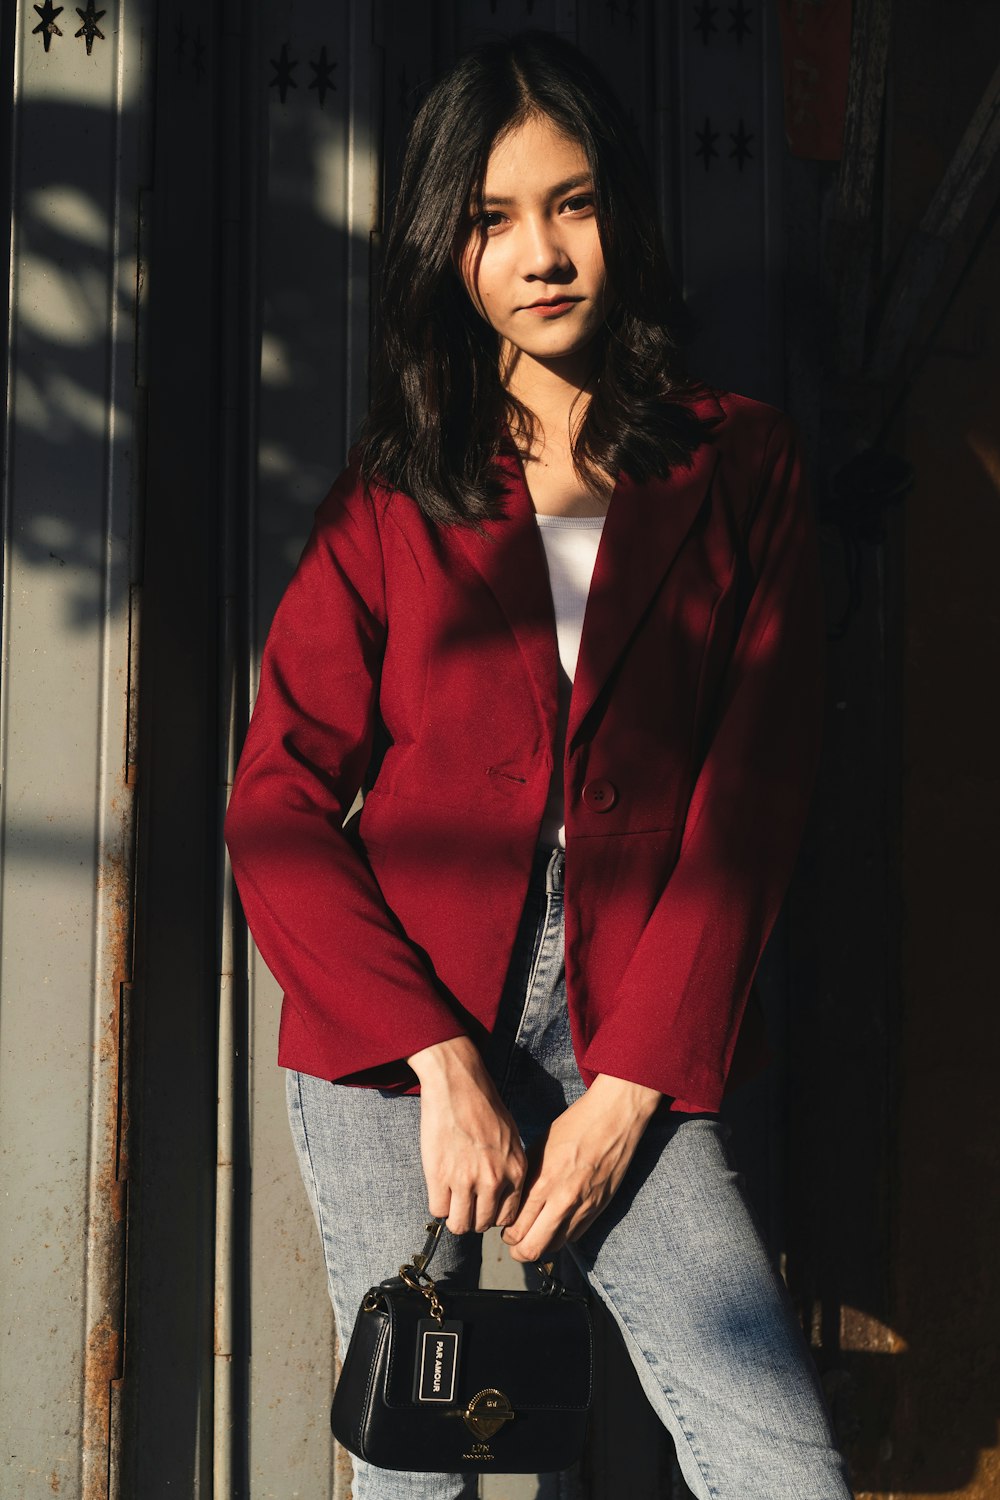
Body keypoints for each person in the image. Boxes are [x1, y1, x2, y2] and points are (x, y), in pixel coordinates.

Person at [225, 29, 853, 1500]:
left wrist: (630, 1090)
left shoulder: (740, 467)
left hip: (633, 1017)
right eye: (495, 220)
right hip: (403, 1033)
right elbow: (278, 801)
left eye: (572, 205)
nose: (543, 253)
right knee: (421, 1461)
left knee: (778, 1458)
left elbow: (752, 802)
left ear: (621, 213)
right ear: (449, 249)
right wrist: (438, 1059)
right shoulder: (391, 497)